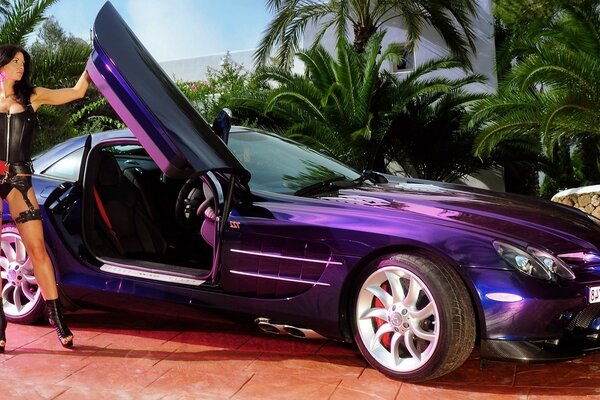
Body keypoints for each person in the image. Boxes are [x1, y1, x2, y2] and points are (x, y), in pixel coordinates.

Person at [0, 44, 90, 352]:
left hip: (20, 181)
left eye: (23, 62)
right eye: (14, 61)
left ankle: (58, 318)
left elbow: (77, 92)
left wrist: (95, 62)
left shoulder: (32, 95)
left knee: (38, 250)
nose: (20, 66)